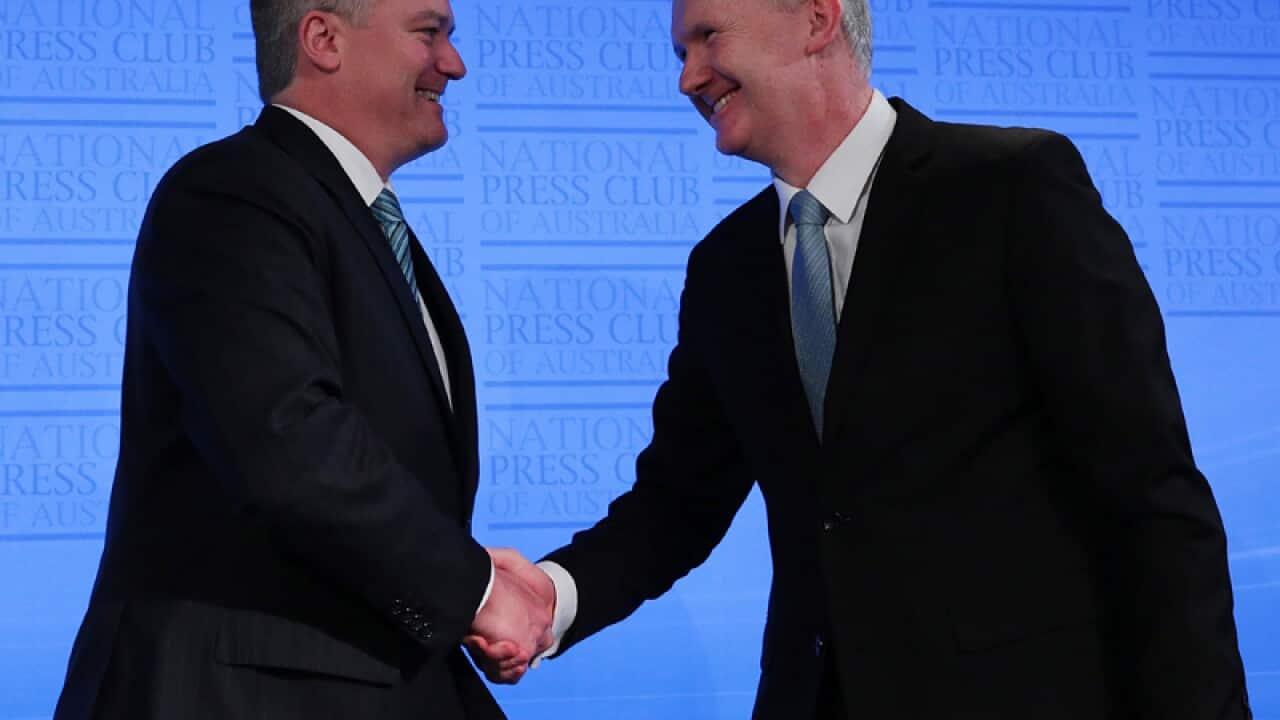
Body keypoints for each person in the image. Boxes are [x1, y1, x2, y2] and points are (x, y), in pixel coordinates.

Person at [469, 0, 1254, 716]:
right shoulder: (727, 266)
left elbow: (1149, 494)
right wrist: (554, 597)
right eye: (681, 50)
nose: (688, 77)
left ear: (816, 20)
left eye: (708, 37)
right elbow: (677, 503)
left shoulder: (1010, 190)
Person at [52, 1, 551, 718]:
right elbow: (289, 435)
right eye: (429, 33)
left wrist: (468, 584)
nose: (454, 63)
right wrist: (473, 589)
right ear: (323, 39)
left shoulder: (359, 221)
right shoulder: (232, 190)